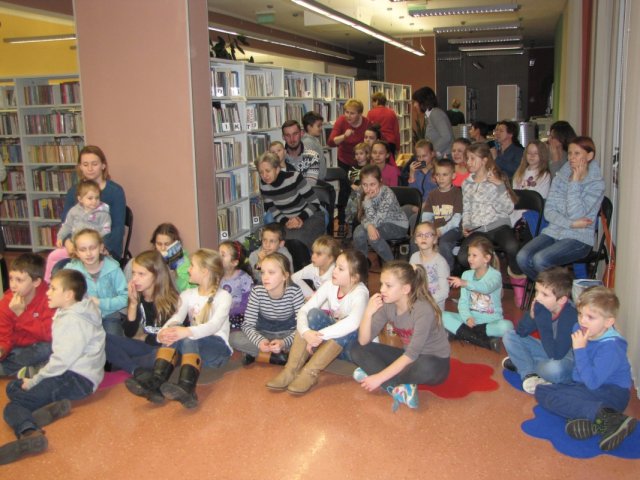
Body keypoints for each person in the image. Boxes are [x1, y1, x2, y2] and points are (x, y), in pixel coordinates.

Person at [0, 269, 105, 465]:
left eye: (53, 289)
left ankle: (30, 434)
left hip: (74, 378)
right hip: (75, 374)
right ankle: (44, 411)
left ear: (68, 295)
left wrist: (35, 380)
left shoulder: (73, 321)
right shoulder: (78, 308)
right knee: (13, 387)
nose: (48, 292)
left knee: (13, 407)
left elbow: (60, 362)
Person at [125, 249, 232, 409]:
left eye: (192, 266)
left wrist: (186, 331)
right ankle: (156, 383)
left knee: (186, 336)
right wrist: (163, 333)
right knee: (175, 330)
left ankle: (187, 388)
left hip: (218, 351)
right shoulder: (187, 294)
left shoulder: (223, 296)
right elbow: (176, 318)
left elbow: (213, 326)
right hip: (195, 349)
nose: (188, 269)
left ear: (204, 271)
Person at [535, 287, 637, 452]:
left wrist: (580, 349)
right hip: (588, 386)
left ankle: (610, 418)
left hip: (612, 394)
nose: (583, 321)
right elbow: (579, 377)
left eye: (590, 317)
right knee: (542, 391)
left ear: (608, 322)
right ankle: (598, 423)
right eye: (580, 314)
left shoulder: (611, 347)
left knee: (556, 398)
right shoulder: (579, 328)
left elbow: (592, 383)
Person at [350, 261, 450, 412]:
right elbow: (363, 341)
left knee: (426, 367)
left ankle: (382, 377)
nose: (382, 289)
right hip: (408, 357)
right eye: (382, 284)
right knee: (356, 349)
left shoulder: (423, 310)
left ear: (405, 289)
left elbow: (412, 354)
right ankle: (399, 388)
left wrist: (379, 377)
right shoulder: (388, 304)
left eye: (388, 285)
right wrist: (368, 312)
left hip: (434, 361)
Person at [267, 249, 369, 394]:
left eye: (340, 269)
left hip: (352, 347)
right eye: (335, 266)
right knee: (313, 314)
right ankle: (291, 370)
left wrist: (318, 336)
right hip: (329, 343)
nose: (334, 270)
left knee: (347, 327)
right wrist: (306, 332)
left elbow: (353, 323)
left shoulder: (360, 293)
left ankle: (310, 373)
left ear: (354, 278)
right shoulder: (330, 285)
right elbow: (304, 310)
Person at [516, 137, 605, 281]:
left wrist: (575, 183)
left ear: (589, 156)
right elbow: (549, 212)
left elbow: (576, 213)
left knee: (540, 260)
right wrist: (571, 223)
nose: (571, 158)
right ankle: (552, 290)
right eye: (569, 153)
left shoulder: (596, 184)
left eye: (577, 153)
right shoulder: (561, 177)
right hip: (554, 231)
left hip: (579, 238)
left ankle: (558, 293)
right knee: (522, 257)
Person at [458, 142, 523, 292]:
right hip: (478, 229)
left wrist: (500, 186)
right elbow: (466, 207)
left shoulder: (496, 178)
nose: (468, 162)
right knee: (463, 257)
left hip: (498, 225)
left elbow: (509, 208)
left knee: (512, 247)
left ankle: (517, 277)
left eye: (472, 158)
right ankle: (489, 275)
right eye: (467, 158)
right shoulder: (466, 183)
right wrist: (466, 225)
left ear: (484, 160)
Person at [502, 267, 577, 394]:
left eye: (545, 294)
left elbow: (556, 354)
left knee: (555, 369)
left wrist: (542, 319)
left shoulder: (570, 316)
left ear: (562, 300)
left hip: (567, 359)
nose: (537, 298)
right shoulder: (545, 306)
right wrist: (531, 316)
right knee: (509, 336)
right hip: (549, 350)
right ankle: (529, 374)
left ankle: (523, 364)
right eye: (537, 291)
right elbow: (520, 332)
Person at [106, 250, 180, 374]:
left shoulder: (172, 301)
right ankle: (135, 368)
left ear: (157, 275)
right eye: (133, 273)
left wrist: (144, 337)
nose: (135, 279)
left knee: (162, 356)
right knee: (103, 339)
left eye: (141, 274)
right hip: (146, 347)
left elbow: (172, 338)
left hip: (165, 349)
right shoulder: (138, 297)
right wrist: (133, 304)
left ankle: (127, 364)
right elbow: (129, 333)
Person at [230, 253, 305, 365]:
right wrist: (259, 341)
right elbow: (248, 324)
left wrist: (284, 342)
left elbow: (302, 326)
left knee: (305, 338)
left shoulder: (294, 292)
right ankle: (277, 356)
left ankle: (260, 354)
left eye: (271, 272)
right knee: (233, 338)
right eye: (263, 272)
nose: (265, 277)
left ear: (285, 276)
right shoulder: (257, 291)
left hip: (287, 333)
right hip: (263, 333)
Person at [444, 236, 514, 351]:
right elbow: (463, 302)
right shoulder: (466, 274)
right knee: (441, 316)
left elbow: (485, 288)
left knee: (507, 326)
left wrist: (465, 283)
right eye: (469, 255)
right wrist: (467, 318)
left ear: (487, 258)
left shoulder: (495, 275)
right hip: (471, 320)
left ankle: (461, 333)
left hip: (491, 321)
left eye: (474, 255)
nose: (470, 259)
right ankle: (485, 341)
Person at [62, 145, 126, 261]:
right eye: (85, 164)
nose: (90, 168)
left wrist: (102, 247)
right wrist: (67, 242)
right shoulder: (73, 191)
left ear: (103, 165)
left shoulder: (115, 191)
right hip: (77, 247)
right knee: (58, 267)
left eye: (94, 164)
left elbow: (118, 228)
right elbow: (66, 221)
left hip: (105, 248)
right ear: (80, 167)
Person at [256, 152, 325, 252]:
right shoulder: (264, 186)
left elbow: (315, 202)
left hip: (309, 216)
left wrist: (299, 218)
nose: (264, 175)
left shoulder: (294, 178)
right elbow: (273, 209)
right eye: (261, 172)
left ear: (277, 169)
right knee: (277, 241)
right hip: (287, 221)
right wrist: (286, 221)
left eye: (268, 171)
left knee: (297, 241)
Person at [64, 229, 128, 336]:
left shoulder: (113, 269)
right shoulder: (71, 271)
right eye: (83, 250)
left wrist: (101, 303)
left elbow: (126, 298)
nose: (88, 253)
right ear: (76, 252)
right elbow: (63, 296)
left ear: (101, 248)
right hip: (83, 316)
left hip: (109, 315)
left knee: (114, 342)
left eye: (92, 248)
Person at [45, 179, 111, 282]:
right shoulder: (74, 211)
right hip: (74, 247)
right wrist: (60, 237)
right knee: (53, 256)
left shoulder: (103, 214)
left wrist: (96, 240)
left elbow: (106, 230)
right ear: (80, 199)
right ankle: (49, 283)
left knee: (84, 267)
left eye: (97, 198)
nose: (94, 201)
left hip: (90, 249)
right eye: (90, 198)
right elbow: (67, 225)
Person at [0, 254, 54, 377]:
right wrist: (2, 350)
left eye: (19, 280)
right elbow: (4, 338)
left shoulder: (49, 299)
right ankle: (32, 369)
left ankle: (11, 369)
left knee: (49, 348)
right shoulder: (6, 302)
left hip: (41, 345)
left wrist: (22, 315)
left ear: (36, 282)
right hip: (17, 350)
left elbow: (48, 335)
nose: (13, 285)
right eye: (11, 279)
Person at [352, 165, 408, 263]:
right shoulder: (361, 191)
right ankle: (362, 264)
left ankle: (392, 265)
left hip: (397, 225)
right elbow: (361, 216)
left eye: (372, 184)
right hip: (376, 224)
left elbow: (377, 221)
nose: (368, 189)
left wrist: (367, 202)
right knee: (358, 232)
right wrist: (369, 226)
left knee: (373, 236)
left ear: (380, 181)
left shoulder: (387, 193)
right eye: (364, 184)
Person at [124, 223, 194, 293]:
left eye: (167, 244)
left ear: (175, 244)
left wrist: (174, 274)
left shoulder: (183, 262)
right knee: (133, 262)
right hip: (149, 295)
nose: (163, 248)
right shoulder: (151, 258)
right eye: (159, 244)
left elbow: (189, 290)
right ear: (154, 244)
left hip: (172, 296)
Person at [422, 158, 463, 270]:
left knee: (444, 243)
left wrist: (441, 231)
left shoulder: (457, 193)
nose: (440, 178)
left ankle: (447, 271)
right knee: (418, 239)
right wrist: (428, 230)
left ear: (453, 176)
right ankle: (422, 270)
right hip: (435, 229)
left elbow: (456, 220)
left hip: (453, 229)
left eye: (445, 175)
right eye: (438, 175)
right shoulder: (432, 194)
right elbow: (426, 216)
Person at [409, 222, 450, 311]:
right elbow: (410, 281)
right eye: (419, 235)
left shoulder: (441, 262)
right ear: (415, 240)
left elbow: (444, 292)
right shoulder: (414, 257)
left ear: (435, 239)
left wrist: (425, 302)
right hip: (417, 303)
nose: (423, 238)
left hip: (434, 306)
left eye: (428, 235)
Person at [510, 140, 551, 228]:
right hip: (515, 211)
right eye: (529, 153)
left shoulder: (544, 175)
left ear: (542, 155)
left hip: (531, 213)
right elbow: (514, 194)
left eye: (536, 153)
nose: (532, 156)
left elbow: (539, 200)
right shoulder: (520, 172)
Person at [291, 235, 340, 300]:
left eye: (318, 254)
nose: (313, 256)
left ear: (330, 258)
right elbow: (293, 277)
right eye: (313, 252)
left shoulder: (334, 274)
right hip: (317, 297)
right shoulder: (313, 267)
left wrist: (313, 300)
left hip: (331, 301)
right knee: (294, 279)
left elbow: (332, 298)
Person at [219, 240, 254, 330]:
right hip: (220, 315)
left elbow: (248, 304)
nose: (218, 257)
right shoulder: (216, 276)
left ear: (234, 262)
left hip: (237, 316)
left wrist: (227, 312)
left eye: (222, 255)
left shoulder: (244, 278)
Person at [327, 99, 370, 172]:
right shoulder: (341, 120)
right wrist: (344, 136)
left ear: (360, 114)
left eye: (352, 113)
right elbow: (331, 142)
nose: (348, 116)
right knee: (345, 179)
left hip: (362, 161)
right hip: (344, 160)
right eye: (347, 112)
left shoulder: (367, 123)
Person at [412, 86, 453, 158]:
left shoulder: (436, 114)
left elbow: (446, 136)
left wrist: (431, 151)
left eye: (416, 102)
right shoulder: (431, 115)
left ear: (423, 102)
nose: (414, 105)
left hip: (445, 158)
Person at [282, 119, 323, 185]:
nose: (292, 139)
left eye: (295, 134)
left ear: (301, 133)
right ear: (283, 137)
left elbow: (310, 185)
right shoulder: (279, 158)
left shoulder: (312, 156)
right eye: (287, 135)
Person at [345, 142, 370, 226]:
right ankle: (351, 226)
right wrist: (351, 185)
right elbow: (348, 178)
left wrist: (362, 186)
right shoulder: (353, 167)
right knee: (351, 211)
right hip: (354, 194)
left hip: (366, 194)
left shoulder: (369, 167)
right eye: (356, 154)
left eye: (361, 153)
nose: (358, 156)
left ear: (367, 154)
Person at [406, 139, 437, 205]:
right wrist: (412, 175)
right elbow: (412, 193)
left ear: (432, 154)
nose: (421, 159)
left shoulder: (438, 170)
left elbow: (439, 192)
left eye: (424, 156)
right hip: (417, 204)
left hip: (432, 204)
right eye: (418, 157)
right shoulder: (416, 171)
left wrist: (423, 205)